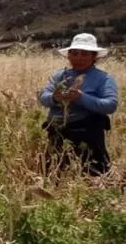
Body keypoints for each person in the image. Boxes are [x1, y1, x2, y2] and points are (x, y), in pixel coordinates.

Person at [39, 33, 118, 176]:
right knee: (54, 172)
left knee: (93, 172)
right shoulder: (59, 76)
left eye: (84, 54)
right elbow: (43, 97)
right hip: (58, 132)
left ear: (94, 57)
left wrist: (81, 98)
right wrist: (55, 98)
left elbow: (110, 105)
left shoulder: (104, 78)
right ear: (68, 56)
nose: (79, 58)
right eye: (74, 53)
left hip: (88, 133)